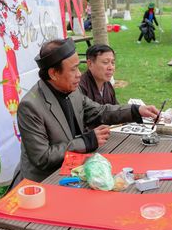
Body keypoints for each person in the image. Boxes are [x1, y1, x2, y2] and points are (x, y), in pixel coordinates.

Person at [16, 38, 158, 183]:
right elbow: (42, 157)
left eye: (78, 67)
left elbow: (99, 111)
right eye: (73, 69)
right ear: (53, 74)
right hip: (44, 182)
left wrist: (136, 110)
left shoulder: (72, 90)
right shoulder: (30, 106)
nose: (79, 74)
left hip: (74, 169)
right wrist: (86, 141)